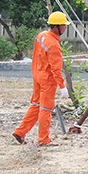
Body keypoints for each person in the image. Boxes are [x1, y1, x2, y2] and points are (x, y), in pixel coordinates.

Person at [13, 11, 70, 146]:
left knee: (36, 105)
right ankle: (43, 139)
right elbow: (56, 69)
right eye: (63, 25)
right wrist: (63, 87)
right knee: (46, 109)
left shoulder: (41, 36)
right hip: (47, 81)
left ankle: (20, 132)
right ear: (57, 26)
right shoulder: (54, 45)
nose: (65, 28)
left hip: (37, 76)